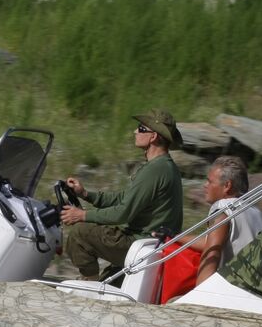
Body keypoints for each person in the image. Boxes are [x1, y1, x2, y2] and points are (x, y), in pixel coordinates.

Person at [60, 109, 184, 282]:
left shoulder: (156, 170)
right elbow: (124, 198)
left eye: (141, 129)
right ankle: (95, 282)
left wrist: (82, 215)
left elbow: (123, 213)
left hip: (140, 244)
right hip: (149, 244)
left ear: (153, 137)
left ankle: (89, 283)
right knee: (109, 283)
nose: (135, 131)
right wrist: (86, 194)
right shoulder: (163, 167)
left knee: (80, 233)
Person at [195, 155, 262, 284]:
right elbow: (209, 242)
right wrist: (174, 237)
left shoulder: (223, 208)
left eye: (210, 181)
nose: (205, 185)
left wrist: (195, 298)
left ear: (227, 185)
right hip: (258, 288)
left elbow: (211, 255)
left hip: (234, 292)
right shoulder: (256, 211)